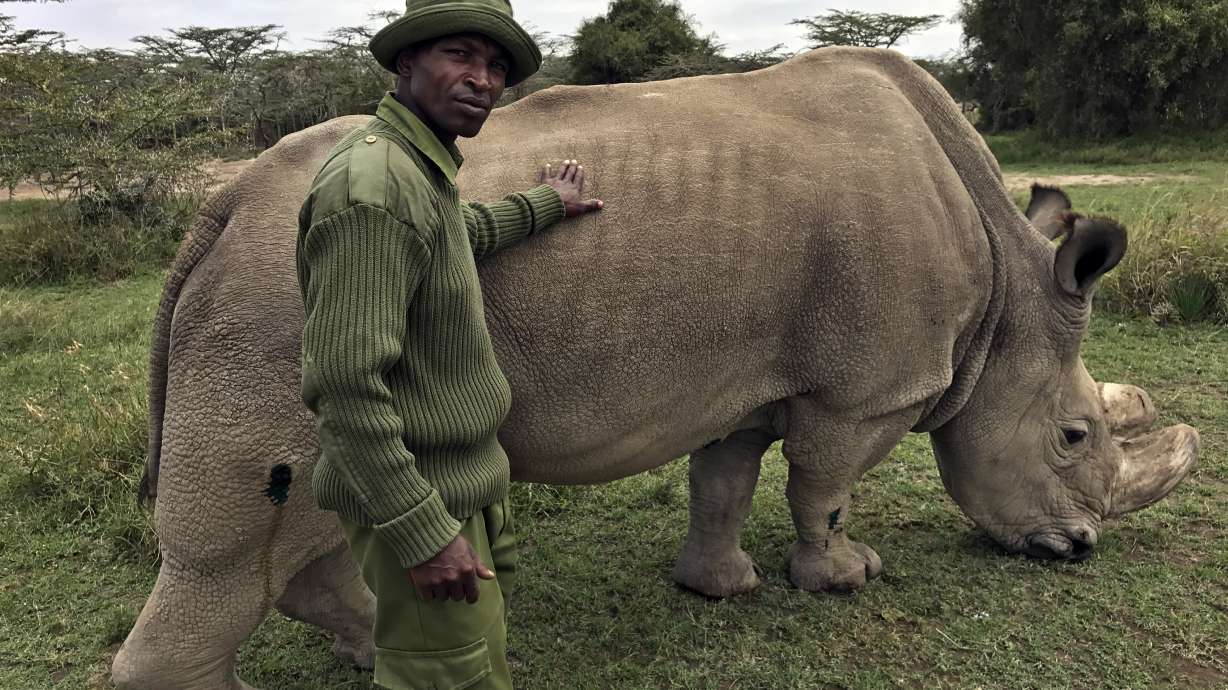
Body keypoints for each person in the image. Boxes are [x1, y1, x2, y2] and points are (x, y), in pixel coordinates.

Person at [295, 1, 603, 687]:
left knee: (471, 662)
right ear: (408, 61)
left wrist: (546, 203)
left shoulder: (415, 167)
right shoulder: (373, 187)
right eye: (460, 55)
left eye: (495, 66)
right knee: (445, 675)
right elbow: (343, 386)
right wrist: (422, 532)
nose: (482, 80)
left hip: (455, 482)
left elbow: (455, 235)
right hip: (421, 496)